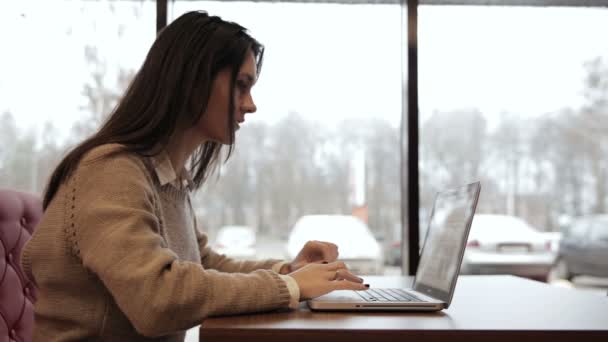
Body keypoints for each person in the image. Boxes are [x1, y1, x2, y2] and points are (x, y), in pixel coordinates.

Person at [21, 11, 368, 342]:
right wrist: (291, 288)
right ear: (192, 81)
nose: (251, 105)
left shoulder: (168, 177)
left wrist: (289, 270)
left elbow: (204, 265)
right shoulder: (110, 171)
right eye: (241, 86)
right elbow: (156, 300)